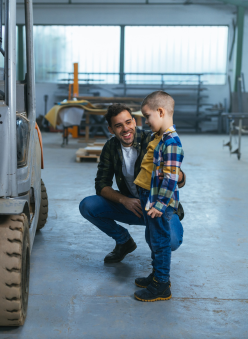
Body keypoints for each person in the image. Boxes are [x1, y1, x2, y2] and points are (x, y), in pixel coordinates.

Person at [79, 103, 185, 264]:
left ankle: (158, 268)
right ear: (111, 130)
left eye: (128, 122)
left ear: (135, 122)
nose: (125, 129)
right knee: (88, 205)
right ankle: (124, 242)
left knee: (171, 241)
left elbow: (181, 181)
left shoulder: (154, 140)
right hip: (133, 205)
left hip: (158, 207)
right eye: (118, 125)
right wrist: (123, 200)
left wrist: (177, 175)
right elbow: (101, 185)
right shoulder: (111, 147)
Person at [133, 91, 184, 302]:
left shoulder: (171, 142)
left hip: (158, 201)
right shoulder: (159, 138)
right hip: (150, 197)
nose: (146, 121)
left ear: (160, 112)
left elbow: (171, 179)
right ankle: (157, 276)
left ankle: (162, 285)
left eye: (147, 116)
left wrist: (161, 204)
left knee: (161, 241)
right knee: (155, 239)